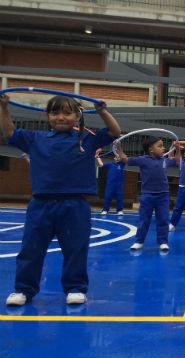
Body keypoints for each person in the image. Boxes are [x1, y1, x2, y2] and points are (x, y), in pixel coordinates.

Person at [1, 94, 120, 306]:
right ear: (47, 116)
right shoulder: (35, 139)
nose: (61, 117)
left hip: (75, 205)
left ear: (77, 115)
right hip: (41, 204)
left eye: (67, 112)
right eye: (55, 113)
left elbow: (114, 131)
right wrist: (4, 108)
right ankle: (23, 290)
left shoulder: (86, 140)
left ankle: (75, 288)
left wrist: (102, 111)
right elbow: (9, 132)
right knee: (31, 249)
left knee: (76, 248)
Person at [115, 137, 180, 251]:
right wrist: (119, 147)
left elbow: (177, 160)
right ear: (151, 149)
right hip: (147, 195)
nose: (163, 148)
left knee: (163, 219)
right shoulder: (142, 160)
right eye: (160, 146)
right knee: (144, 220)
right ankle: (139, 241)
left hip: (163, 195)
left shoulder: (164, 160)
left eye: (163, 146)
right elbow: (125, 159)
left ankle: (163, 242)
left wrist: (177, 149)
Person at [95, 149, 126, 215]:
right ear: (114, 158)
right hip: (110, 184)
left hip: (119, 184)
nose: (118, 158)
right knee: (107, 196)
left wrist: (118, 150)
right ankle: (105, 210)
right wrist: (97, 157)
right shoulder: (110, 165)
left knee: (119, 197)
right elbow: (101, 165)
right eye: (117, 157)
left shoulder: (122, 164)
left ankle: (119, 210)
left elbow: (124, 157)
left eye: (119, 157)